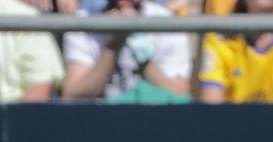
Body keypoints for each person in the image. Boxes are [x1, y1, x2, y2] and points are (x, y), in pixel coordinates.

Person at [61, 0, 195, 103]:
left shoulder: (168, 22)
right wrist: (114, 44)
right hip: (100, 121)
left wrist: (138, 45)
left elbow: (180, 95)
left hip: (154, 121)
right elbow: (72, 93)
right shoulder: (82, 22)